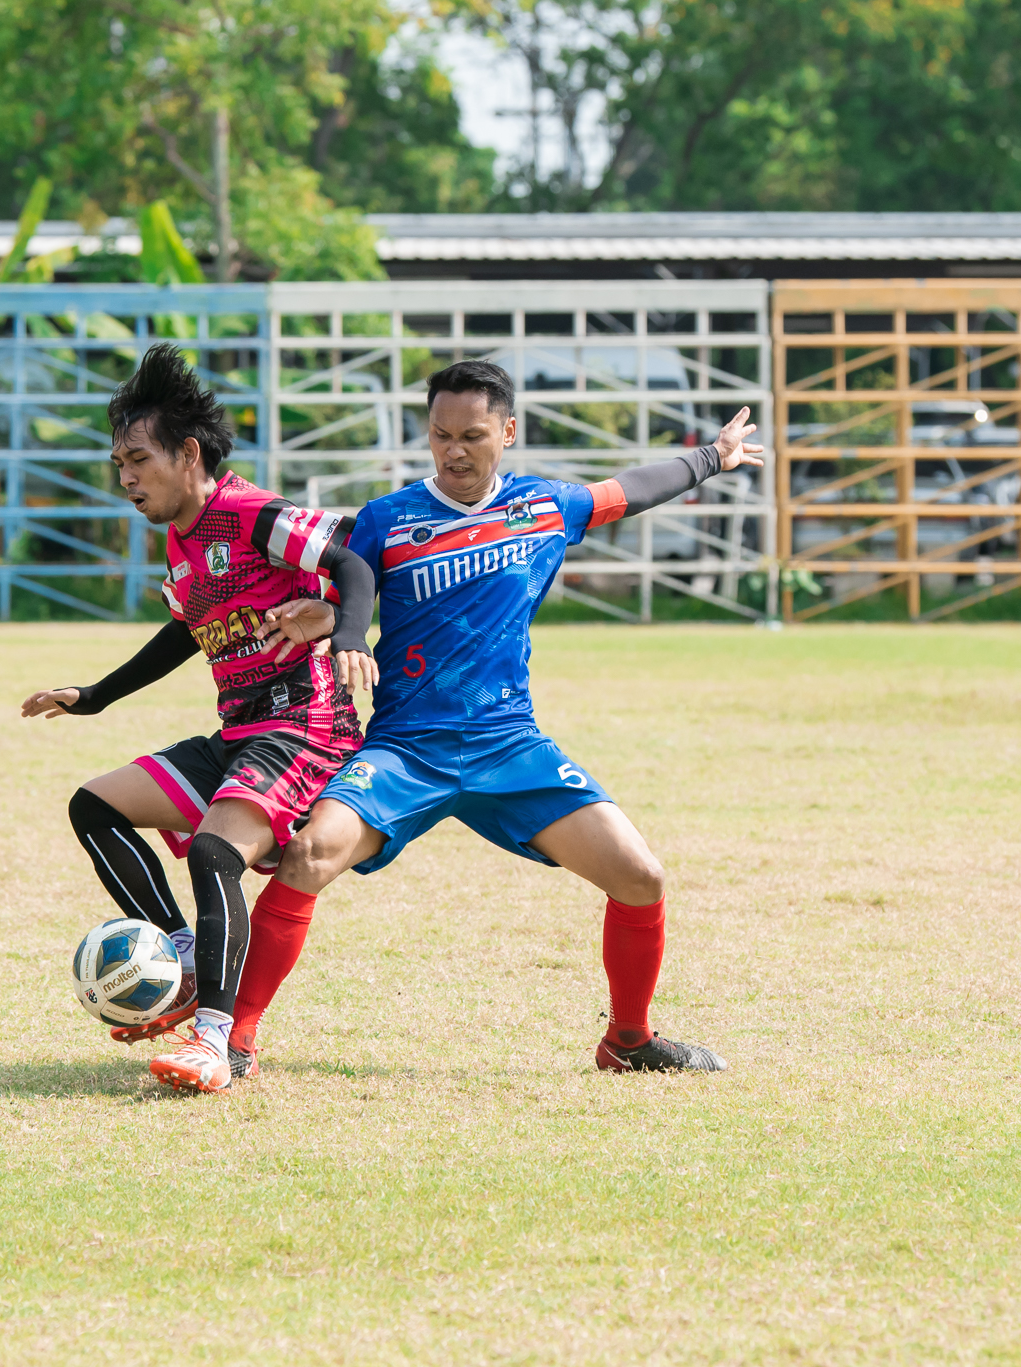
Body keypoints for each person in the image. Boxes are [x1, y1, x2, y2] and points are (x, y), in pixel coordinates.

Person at [230, 359, 761, 1075]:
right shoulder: (387, 518)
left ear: (508, 431)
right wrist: (326, 617)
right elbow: (353, 594)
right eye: (441, 434)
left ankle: (628, 1040)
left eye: (473, 435)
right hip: (406, 749)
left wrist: (711, 458)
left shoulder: (547, 507)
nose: (455, 450)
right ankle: (232, 1040)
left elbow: (631, 491)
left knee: (641, 876)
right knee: (307, 856)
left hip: (509, 745)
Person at [18, 344, 378, 1094]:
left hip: (304, 724)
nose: (125, 479)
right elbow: (184, 632)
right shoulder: (182, 542)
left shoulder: (249, 513)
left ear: (188, 454)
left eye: (138, 460)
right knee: (95, 805)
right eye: (118, 464)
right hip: (241, 733)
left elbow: (352, 564)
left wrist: (344, 635)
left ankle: (214, 1038)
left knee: (214, 853)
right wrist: (95, 695)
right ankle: (185, 954)